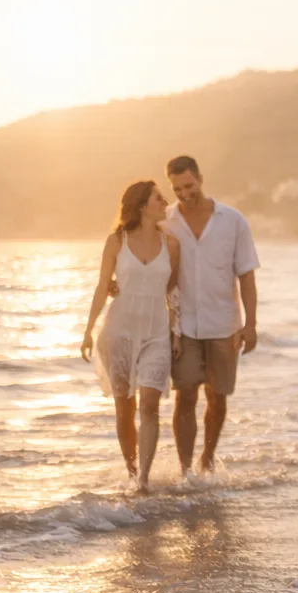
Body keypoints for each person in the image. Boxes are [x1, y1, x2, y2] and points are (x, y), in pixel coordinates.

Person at [163, 156, 259, 476]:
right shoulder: (166, 222)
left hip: (224, 325)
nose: (184, 193)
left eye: (189, 186)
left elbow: (246, 275)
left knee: (217, 398)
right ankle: (185, 471)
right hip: (184, 327)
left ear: (201, 179)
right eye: (177, 189)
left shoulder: (232, 220)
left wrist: (250, 325)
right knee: (185, 396)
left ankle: (207, 457)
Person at [81, 181, 180, 492]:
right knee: (125, 408)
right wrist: (87, 331)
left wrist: (176, 332)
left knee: (149, 403)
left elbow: (172, 291)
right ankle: (132, 470)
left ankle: (144, 481)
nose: (164, 202)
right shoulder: (117, 241)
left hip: (156, 333)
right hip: (119, 331)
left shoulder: (171, 244)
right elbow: (102, 286)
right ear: (141, 205)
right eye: (158, 198)